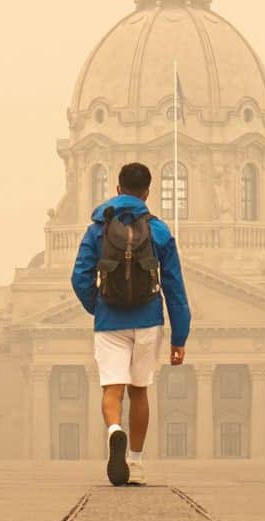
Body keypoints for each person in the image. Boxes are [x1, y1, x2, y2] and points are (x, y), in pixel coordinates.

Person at [71, 162, 191, 486]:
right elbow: (174, 287)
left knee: (112, 389)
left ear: (117, 189)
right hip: (147, 319)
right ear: (148, 192)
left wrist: (98, 306)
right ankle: (135, 464)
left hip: (110, 320)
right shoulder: (160, 231)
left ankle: (114, 430)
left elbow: (80, 276)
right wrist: (180, 336)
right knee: (140, 393)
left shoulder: (98, 228)